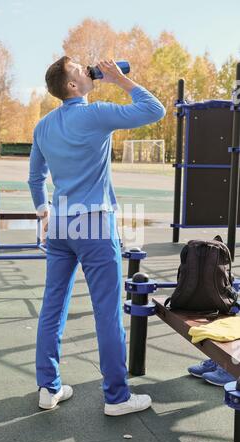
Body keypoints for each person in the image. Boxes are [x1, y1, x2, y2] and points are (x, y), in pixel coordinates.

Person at [28, 56, 166, 415]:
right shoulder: (95, 114)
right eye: (79, 69)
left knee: (52, 305)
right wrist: (119, 79)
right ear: (73, 86)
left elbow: (34, 177)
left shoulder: (43, 126)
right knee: (106, 311)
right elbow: (155, 109)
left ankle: (48, 387)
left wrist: (43, 210)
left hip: (60, 224)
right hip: (93, 223)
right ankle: (117, 398)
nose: (88, 69)